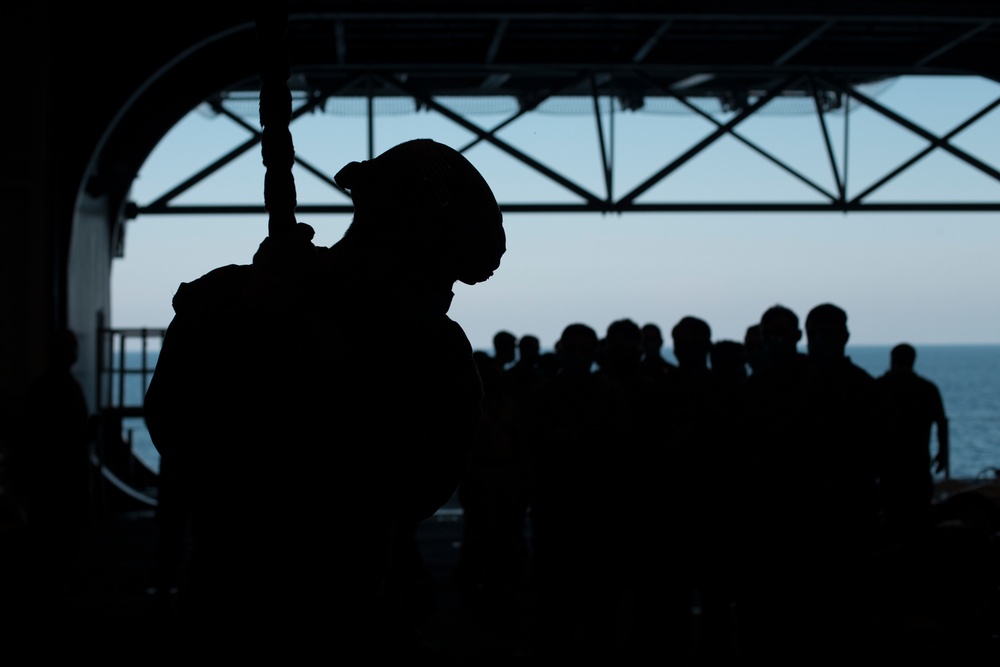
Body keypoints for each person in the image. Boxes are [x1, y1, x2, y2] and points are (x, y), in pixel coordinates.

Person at [143, 138, 505, 658]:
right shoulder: (232, 299)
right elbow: (180, 433)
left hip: (345, 614)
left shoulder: (437, 348)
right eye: (433, 275)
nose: (442, 296)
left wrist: (316, 347)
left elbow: (419, 489)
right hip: (237, 618)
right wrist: (254, 321)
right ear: (386, 243)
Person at [874, 343, 949, 543]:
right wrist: (943, 453)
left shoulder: (879, 387)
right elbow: (941, 422)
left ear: (892, 359)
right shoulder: (927, 388)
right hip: (919, 461)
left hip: (888, 463)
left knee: (892, 514)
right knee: (920, 515)